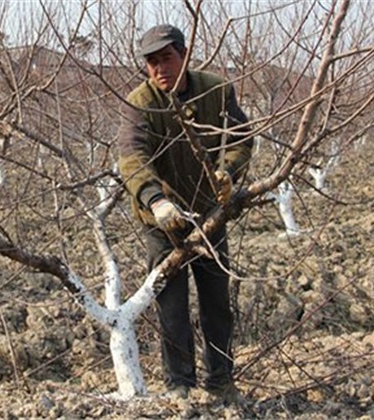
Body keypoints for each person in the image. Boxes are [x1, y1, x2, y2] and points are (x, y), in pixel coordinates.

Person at [116, 24, 253, 402]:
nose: (160, 69)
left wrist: (228, 171)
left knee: (216, 302)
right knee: (171, 307)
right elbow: (132, 157)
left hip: (209, 214)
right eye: (151, 62)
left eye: (167, 59)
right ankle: (180, 385)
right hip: (161, 221)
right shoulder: (139, 103)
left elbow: (241, 137)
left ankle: (222, 381)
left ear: (185, 54)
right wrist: (156, 200)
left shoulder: (216, 89)